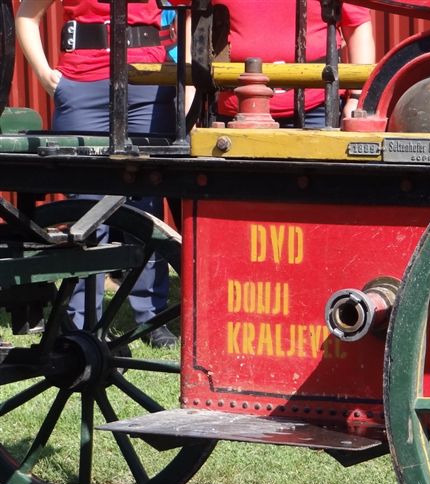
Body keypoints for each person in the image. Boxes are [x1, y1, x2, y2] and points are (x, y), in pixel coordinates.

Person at [16, 0, 178, 346]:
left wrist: (184, 76)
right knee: (85, 206)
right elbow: (28, 15)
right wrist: (45, 74)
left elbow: (192, 13)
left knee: (145, 202)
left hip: (148, 83)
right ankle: (82, 321)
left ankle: (152, 319)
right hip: (81, 84)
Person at [211, 0, 374, 127]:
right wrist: (189, 100)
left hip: (316, 109)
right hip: (235, 106)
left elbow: (356, 25)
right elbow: (193, 19)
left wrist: (357, 99)